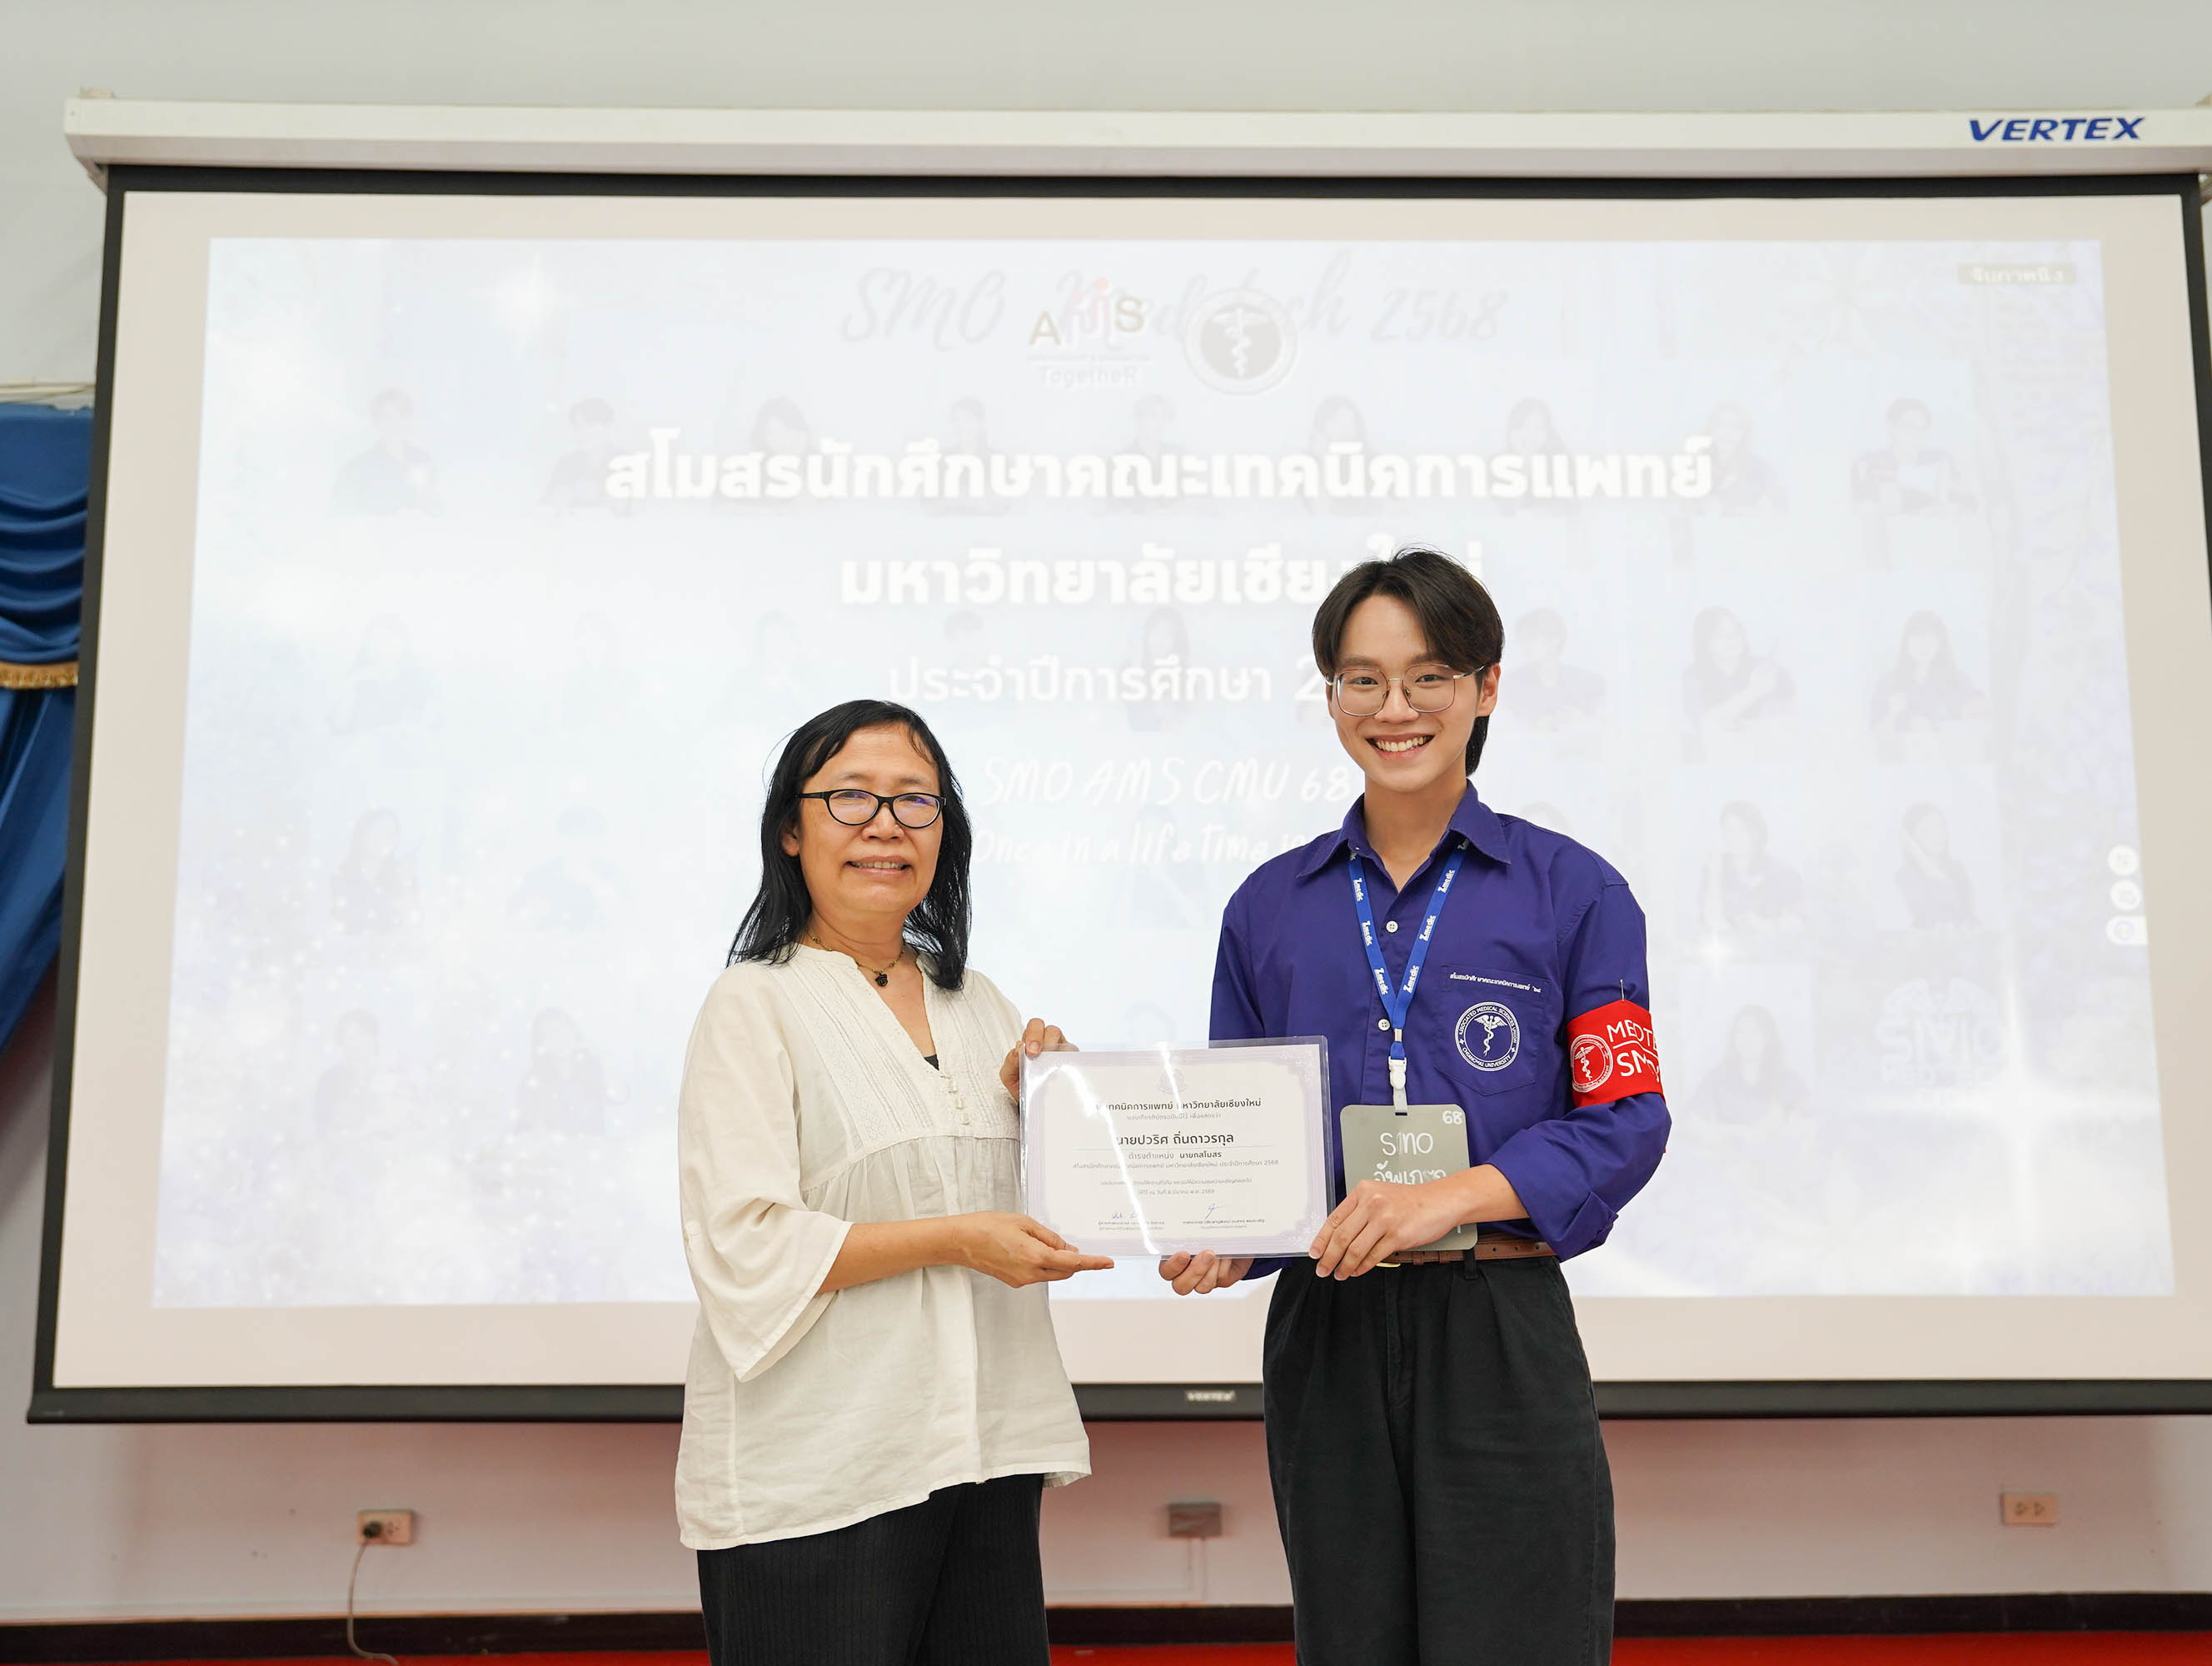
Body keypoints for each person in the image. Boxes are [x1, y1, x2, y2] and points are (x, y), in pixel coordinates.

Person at [1161, 548, 1668, 1665]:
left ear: (1486, 688)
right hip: (1329, 1327)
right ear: (1331, 696)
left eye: (1428, 676)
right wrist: (1228, 1233)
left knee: (1522, 1641)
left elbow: (1626, 1120)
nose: (1394, 708)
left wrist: (1447, 1198)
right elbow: (1252, 1144)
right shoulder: (1268, 907)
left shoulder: (1573, 890)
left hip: (1498, 1322)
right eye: (1363, 679)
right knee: (1353, 1642)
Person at [679, 699, 1110, 1666]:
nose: (885, 824)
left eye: (915, 800)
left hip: (982, 1452)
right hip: (822, 1472)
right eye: (850, 797)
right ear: (791, 830)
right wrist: (955, 1238)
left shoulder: (979, 1000)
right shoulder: (754, 1000)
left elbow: (1029, 1207)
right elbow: (745, 1240)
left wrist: (1055, 1113)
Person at [1871, 610, 1989, 740]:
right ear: (1906, 642)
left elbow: (1977, 712)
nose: (1923, 645)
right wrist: (1893, 715)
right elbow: (1874, 735)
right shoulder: (1889, 683)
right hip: (1904, 751)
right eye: (1917, 637)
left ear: (1940, 644)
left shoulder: (1958, 680)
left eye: (1930, 638)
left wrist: (1974, 711)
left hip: (1948, 750)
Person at [1896, 801, 1977, 927]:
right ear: (1912, 838)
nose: (1937, 835)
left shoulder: (1956, 868)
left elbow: (1967, 913)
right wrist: (1917, 853)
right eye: (1927, 830)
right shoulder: (1907, 875)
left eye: (1940, 827)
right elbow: (1933, 917)